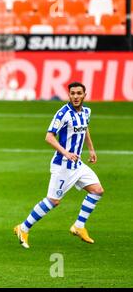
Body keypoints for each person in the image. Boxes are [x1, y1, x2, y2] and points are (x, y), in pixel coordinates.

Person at [14, 81, 105, 249]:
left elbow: (85, 129)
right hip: (63, 165)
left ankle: (78, 226)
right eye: (73, 93)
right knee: (53, 201)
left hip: (77, 164)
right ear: (68, 95)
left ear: (85, 95)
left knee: (97, 190)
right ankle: (23, 228)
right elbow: (49, 137)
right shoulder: (63, 113)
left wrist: (91, 149)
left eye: (79, 93)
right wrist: (65, 152)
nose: (76, 96)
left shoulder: (86, 111)